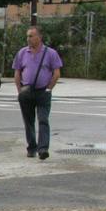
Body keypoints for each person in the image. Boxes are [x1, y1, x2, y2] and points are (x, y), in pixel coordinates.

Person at [13, 25, 63, 160]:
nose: (28, 39)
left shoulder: (50, 53)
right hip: (26, 92)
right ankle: (31, 147)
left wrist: (49, 88)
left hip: (43, 92)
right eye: (27, 36)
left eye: (31, 36)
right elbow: (17, 72)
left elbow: (56, 73)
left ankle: (43, 149)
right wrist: (19, 90)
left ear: (39, 37)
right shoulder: (22, 53)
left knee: (43, 119)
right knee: (28, 121)